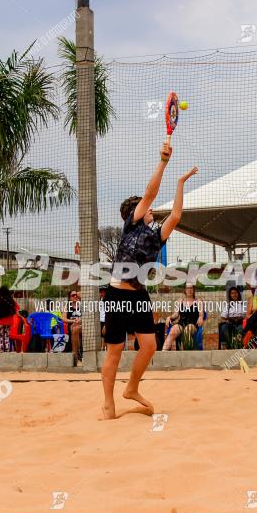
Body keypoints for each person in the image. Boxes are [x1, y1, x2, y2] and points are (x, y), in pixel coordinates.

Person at [100, 139, 197, 420]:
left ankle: (131, 388)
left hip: (138, 295)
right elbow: (150, 193)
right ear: (135, 213)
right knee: (114, 352)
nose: (152, 211)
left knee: (150, 345)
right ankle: (108, 403)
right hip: (118, 294)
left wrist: (180, 183)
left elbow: (176, 215)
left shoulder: (156, 235)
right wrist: (164, 162)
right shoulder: (131, 225)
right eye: (148, 209)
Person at [164, 284, 204, 350]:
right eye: (187, 288)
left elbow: (201, 314)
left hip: (193, 324)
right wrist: (170, 317)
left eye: (191, 288)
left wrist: (201, 317)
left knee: (187, 330)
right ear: (185, 290)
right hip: (181, 323)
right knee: (173, 330)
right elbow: (176, 314)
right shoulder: (180, 301)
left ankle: (186, 353)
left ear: (193, 290)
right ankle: (163, 353)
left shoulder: (198, 301)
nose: (189, 290)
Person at [0, 286, 19, 353]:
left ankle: (1, 350)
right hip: (9, 322)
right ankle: (7, 350)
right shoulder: (10, 300)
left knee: (1, 337)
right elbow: (17, 308)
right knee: (7, 336)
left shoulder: (0, 301)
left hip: (1, 322)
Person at [64, 290, 83, 365]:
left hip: (82, 326)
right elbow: (63, 318)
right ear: (69, 298)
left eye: (76, 295)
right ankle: (76, 354)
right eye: (73, 295)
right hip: (72, 326)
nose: (75, 296)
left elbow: (86, 316)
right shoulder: (67, 306)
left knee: (77, 327)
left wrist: (80, 320)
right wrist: (72, 321)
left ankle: (75, 354)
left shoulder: (82, 305)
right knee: (75, 328)